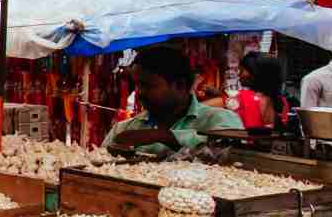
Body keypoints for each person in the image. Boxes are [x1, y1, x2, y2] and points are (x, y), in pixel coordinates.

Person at [104, 45, 243, 156]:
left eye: (148, 85)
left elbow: (232, 151)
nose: (139, 92)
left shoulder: (220, 119)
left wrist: (164, 136)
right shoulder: (124, 129)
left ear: (180, 85)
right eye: (137, 85)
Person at [234, 51, 291, 131]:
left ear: (255, 72)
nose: (239, 74)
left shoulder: (242, 97)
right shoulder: (283, 102)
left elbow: (210, 106)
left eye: (242, 70)